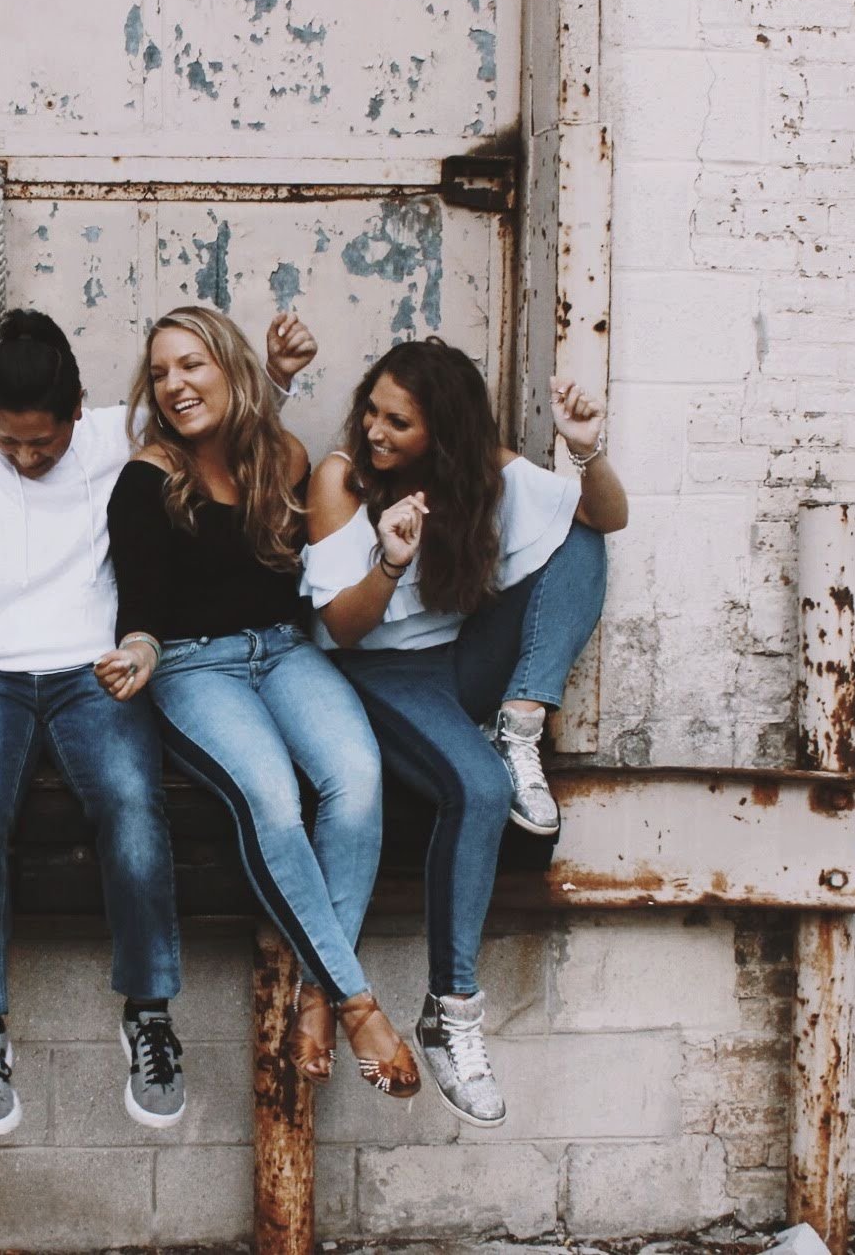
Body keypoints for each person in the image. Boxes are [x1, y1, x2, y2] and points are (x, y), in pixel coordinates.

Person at [0, 309, 309, 1139]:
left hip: (88, 669)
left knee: (132, 805)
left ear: (78, 412)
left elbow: (217, 423)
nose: (27, 458)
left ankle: (147, 1014)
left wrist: (277, 380)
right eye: (12, 443)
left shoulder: (118, 436)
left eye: (43, 442)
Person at [303, 338, 627, 1127]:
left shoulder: (481, 471)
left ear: (442, 437)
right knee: (476, 790)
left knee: (578, 539)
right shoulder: (341, 481)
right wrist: (387, 561)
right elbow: (340, 632)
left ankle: (519, 722)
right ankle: (451, 1013)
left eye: (398, 423)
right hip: (379, 673)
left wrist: (588, 453)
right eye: (372, 412)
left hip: (458, 663)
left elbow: (605, 517)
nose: (375, 432)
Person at [101, 306, 419, 1097]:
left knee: (356, 780)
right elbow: (140, 605)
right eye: (162, 371)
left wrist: (275, 382)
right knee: (272, 803)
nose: (174, 384)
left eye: (193, 364)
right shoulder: (146, 479)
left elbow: (297, 575)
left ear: (230, 368)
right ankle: (354, 1001)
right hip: (191, 669)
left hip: (283, 651)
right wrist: (137, 651)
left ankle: (313, 991)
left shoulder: (283, 455)